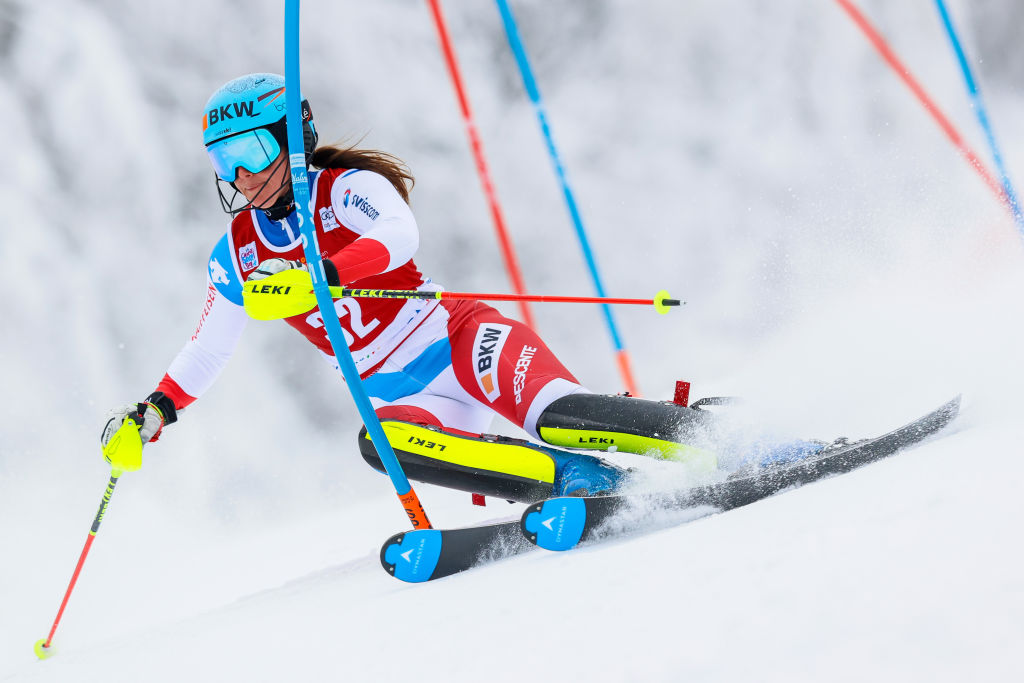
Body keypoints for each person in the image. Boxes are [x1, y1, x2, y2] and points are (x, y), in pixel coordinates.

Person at [100, 73, 722, 503]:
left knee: (559, 417)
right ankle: (588, 484)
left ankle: (714, 438)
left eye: (251, 150)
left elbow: (399, 234)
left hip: (456, 340)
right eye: (221, 159)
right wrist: (153, 412)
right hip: (391, 389)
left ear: (293, 140)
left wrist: (321, 277)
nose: (238, 175)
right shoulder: (236, 252)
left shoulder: (342, 189)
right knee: (381, 443)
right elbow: (208, 349)